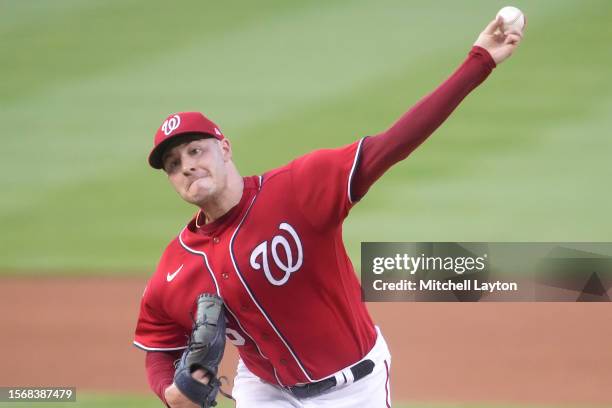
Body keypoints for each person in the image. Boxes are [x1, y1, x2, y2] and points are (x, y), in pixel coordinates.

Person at [133, 16, 524, 408]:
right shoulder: (177, 265)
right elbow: (158, 343)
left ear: (225, 148)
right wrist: (169, 391)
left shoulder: (299, 188)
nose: (186, 166)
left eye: (195, 150)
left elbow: (395, 142)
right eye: (173, 163)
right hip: (264, 391)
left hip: (355, 389)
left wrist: (479, 62)